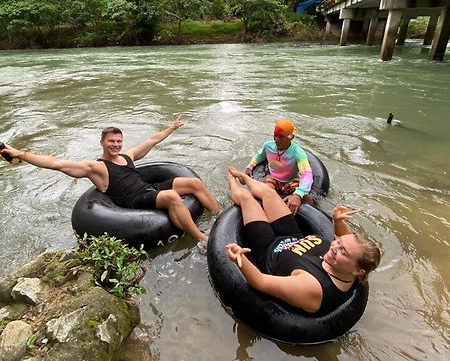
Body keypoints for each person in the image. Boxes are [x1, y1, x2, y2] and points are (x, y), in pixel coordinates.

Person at [0, 116, 220, 242]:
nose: (116, 145)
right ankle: (200, 239)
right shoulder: (97, 168)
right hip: (133, 200)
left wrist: (171, 128)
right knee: (172, 196)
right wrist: (21, 154)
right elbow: (56, 163)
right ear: (102, 143)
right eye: (111, 141)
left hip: (148, 188)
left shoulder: (128, 156)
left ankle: (219, 215)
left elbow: (152, 140)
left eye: (118, 141)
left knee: (194, 183)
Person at [226, 167, 381, 315]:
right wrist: (338, 222)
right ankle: (245, 178)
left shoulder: (313, 287)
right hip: (293, 235)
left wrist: (241, 259)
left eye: (343, 251)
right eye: (338, 243)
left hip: (269, 248)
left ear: (357, 271)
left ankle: (232, 182)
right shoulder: (345, 268)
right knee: (270, 194)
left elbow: (260, 282)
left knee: (247, 199)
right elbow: (343, 239)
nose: (334, 246)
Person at [245, 119, 313, 214]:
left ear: (291, 137)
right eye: (275, 135)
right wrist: (250, 166)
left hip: (291, 180)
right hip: (274, 178)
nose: (276, 139)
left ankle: (314, 212)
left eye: (281, 136)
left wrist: (298, 194)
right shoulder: (268, 146)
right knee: (263, 192)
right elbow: (259, 155)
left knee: (306, 198)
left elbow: (306, 174)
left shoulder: (298, 152)